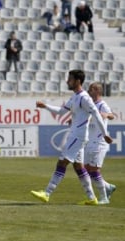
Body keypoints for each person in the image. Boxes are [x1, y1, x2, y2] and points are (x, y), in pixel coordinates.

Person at [30, 70, 113, 205]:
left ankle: (47, 192)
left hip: (78, 136)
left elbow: (97, 114)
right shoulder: (75, 97)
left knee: (62, 162)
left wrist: (105, 134)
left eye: (70, 79)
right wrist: (45, 106)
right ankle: (91, 197)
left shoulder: (84, 98)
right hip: (76, 135)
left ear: (78, 81)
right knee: (79, 167)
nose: (67, 81)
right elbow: (62, 111)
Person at [85, 82, 116, 204]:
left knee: (94, 169)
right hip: (89, 141)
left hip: (99, 142)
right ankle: (108, 187)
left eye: (91, 89)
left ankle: (104, 198)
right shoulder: (90, 105)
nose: (88, 91)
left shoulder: (102, 104)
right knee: (87, 170)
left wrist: (106, 114)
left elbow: (112, 115)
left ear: (97, 91)